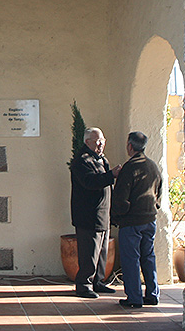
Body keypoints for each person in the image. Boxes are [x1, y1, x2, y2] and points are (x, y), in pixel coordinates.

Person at [110, 131, 163, 309]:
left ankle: (134, 297)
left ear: (130, 146)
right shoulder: (153, 166)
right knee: (148, 256)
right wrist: (154, 208)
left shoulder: (129, 168)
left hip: (132, 221)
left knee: (131, 258)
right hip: (150, 219)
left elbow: (120, 198)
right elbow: (159, 192)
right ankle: (152, 294)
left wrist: (117, 216)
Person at [69, 127, 116, 299]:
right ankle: (84, 285)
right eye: (97, 141)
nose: (100, 144)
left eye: (102, 140)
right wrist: (112, 175)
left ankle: (98, 281)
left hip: (103, 214)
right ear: (87, 142)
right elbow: (90, 182)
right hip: (88, 215)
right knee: (89, 252)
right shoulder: (82, 161)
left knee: (101, 252)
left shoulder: (101, 159)